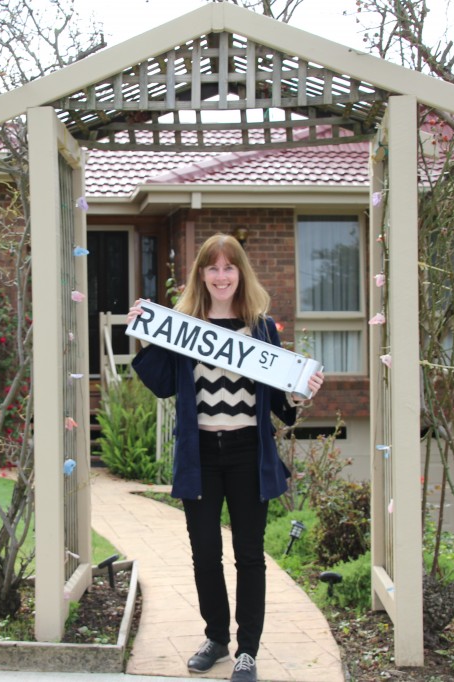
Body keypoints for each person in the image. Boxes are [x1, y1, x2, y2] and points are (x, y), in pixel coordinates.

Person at [126, 233, 324, 682]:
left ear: (240, 273)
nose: (220, 276)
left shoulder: (261, 327)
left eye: (228, 267)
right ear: (201, 274)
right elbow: (160, 383)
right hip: (200, 455)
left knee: (249, 555)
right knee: (204, 553)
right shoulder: (183, 325)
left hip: (247, 454)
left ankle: (247, 651)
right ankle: (216, 637)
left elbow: (280, 404)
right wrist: (145, 332)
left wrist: (300, 392)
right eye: (212, 268)